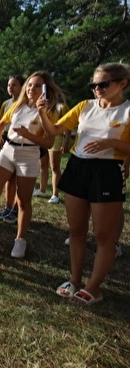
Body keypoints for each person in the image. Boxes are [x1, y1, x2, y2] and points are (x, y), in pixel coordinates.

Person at [40, 63, 130, 305]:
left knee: (103, 235)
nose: (97, 89)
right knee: (76, 229)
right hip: (79, 166)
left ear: (122, 84)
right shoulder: (85, 106)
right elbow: (56, 130)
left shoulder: (127, 111)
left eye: (103, 84)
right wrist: (42, 113)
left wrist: (111, 142)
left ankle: (94, 287)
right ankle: (75, 280)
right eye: (94, 85)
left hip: (108, 170)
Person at [0, 71, 63, 258]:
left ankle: (20, 240)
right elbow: (1, 124)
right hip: (8, 150)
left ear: (45, 88)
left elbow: (49, 143)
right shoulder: (19, 105)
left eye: (37, 85)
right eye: (30, 84)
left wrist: (29, 135)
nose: (32, 89)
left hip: (29, 154)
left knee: (23, 200)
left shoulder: (50, 110)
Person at [0, 75, 25, 223]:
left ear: (22, 87)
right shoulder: (6, 104)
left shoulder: (26, 104)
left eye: (14, 85)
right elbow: (1, 122)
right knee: (9, 178)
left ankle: (15, 208)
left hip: (23, 142)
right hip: (8, 139)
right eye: (9, 85)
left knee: (19, 178)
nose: (10, 88)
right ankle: (8, 206)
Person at [33, 101, 71, 203]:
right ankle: (42, 190)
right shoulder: (41, 104)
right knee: (43, 165)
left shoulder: (62, 106)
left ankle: (55, 195)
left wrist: (66, 142)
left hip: (56, 138)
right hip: (42, 137)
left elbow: (68, 125)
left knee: (54, 167)